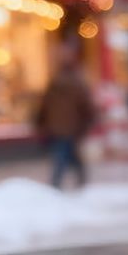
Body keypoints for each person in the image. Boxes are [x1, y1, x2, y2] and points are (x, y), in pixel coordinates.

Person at [37, 45, 95, 189]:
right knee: (65, 154)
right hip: (70, 127)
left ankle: (61, 183)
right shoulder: (77, 83)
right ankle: (64, 183)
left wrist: (41, 123)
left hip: (57, 127)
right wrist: (87, 123)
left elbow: (44, 106)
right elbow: (86, 107)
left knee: (64, 154)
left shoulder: (55, 82)